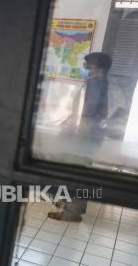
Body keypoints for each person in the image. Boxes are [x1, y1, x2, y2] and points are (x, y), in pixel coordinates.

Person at [48, 52, 112, 222]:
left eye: (88, 64)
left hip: (84, 136)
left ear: (99, 67)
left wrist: (73, 130)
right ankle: (68, 207)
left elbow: (88, 113)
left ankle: (72, 211)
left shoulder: (97, 84)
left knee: (76, 173)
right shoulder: (99, 82)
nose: (84, 67)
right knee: (78, 171)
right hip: (89, 135)